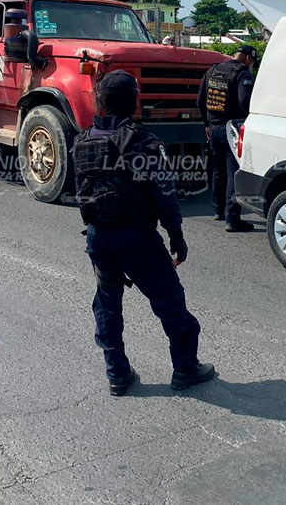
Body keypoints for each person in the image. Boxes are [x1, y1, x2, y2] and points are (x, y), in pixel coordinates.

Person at [74, 70, 215, 397]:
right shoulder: (144, 141)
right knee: (170, 302)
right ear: (134, 101)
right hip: (137, 238)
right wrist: (176, 236)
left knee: (107, 306)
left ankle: (117, 375)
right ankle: (185, 369)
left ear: (102, 102)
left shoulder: (82, 139)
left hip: (98, 237)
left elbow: (79, 189)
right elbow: (164, 194)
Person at [197, 44, 257, 232]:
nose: (252, 66)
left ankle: (218, 210)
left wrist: (206, 124)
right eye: (253, 62)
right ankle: (232, 219)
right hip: (232, 128)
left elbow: (200, 101)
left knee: (218, 169)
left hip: (213, 127)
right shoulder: (243, 74)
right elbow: (244, 102)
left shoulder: (213, 70)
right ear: (248, 58)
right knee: (234, 171)